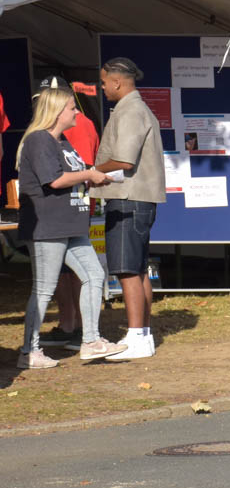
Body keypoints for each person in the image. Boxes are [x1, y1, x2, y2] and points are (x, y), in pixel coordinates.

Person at [16, 87, 123, 368]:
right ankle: (29, 351)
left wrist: (92, 177)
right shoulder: (39, 140)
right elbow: (53, 180)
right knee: (44, 289)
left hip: (70, 224)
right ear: (56, 112)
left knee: (94, 275)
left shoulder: (61, 141)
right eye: (71, 108)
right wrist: (88, 174)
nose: (77, 112)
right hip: (48, 227)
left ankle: (91, 341)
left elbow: (69, 175)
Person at [92, 57, 167, 361]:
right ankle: (143, 335)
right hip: (134, 198)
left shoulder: (131, 110)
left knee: (126, 269)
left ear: (117, 81)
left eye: (103, 81)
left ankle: (136, 336)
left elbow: (123, 160)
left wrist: (93, 170)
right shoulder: (132, 108)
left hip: (128, 199)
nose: (102, 87)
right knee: (136, 268)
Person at [38, 79, 101, 352]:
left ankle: (79, 328)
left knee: (78, 270)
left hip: (73, 206)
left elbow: (82, 166)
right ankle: (69, 324)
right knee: (62, 271)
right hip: (57, 208)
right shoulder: (44, 131)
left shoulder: (80, 124)